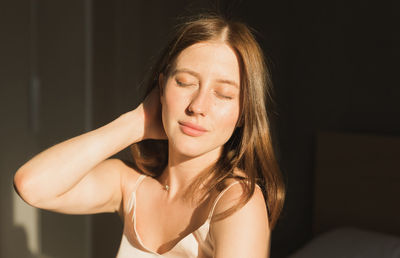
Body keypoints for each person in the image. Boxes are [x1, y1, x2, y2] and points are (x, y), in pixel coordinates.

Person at [14, 13, 285, 258]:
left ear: (243, 114)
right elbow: (32, 186)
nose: (198, 106)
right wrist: (135, 123)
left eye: (223, 94)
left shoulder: (236, 202)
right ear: (162, 88)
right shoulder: (130, 185)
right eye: (185, 83)